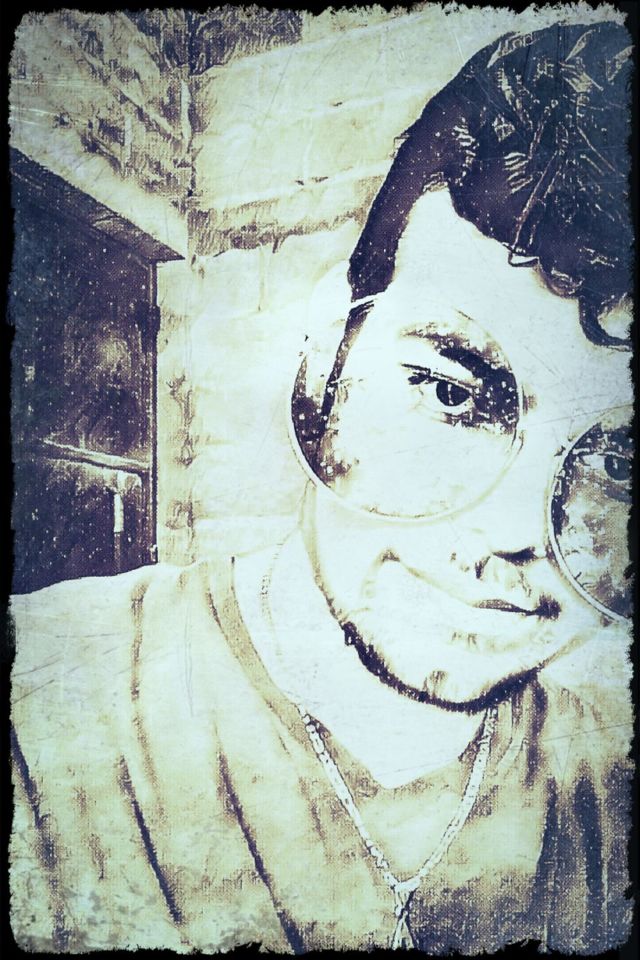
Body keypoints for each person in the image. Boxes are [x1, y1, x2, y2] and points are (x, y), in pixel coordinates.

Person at [10, 19, 633, 954]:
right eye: (449, 392)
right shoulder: (42, 701)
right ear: (332, 358)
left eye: (620, 462)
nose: (514, 535)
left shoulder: (612, 786)